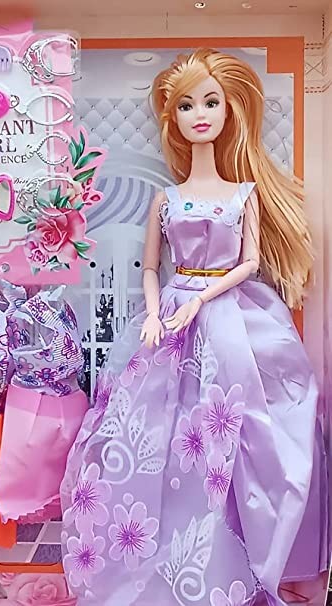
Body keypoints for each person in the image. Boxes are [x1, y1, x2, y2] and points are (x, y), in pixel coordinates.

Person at [59, 48, 328, 606]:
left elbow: (249, 263)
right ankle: (159, 558)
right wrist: (155, 312)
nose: (199, 114)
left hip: (232, 315)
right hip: (172, 320)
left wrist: (201, 297)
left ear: (230, 111)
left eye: (210, 102)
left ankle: (239, 558)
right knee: (160, 435)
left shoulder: (244, 195)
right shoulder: (168, 198)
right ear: (172, 118)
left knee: (242, 430)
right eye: (186, 105)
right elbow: (150, 268)